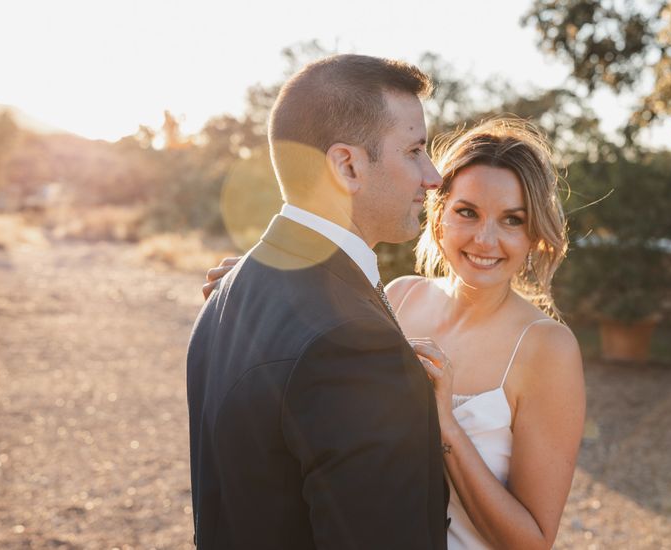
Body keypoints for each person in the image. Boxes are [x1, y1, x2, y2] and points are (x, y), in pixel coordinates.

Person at [205, 118, 586, 549]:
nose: (485, 239)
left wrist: (446, 427)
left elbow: (532, 541)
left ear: (535, 234)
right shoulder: (401, 296)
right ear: (439, 214)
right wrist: (257, 285)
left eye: (512, 220)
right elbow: (318, 348)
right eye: (467, 212)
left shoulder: (547, 348)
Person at [187, 54, 449, 549]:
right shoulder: (355, 345)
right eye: (415, 150)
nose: (432, 177)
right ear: (347, 164)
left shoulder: (228, 288)